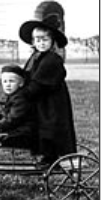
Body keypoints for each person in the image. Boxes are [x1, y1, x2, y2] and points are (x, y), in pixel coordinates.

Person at [18, 14, 77, 165]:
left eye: (45, 40)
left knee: (50, 127)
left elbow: (39, 83)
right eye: (38, 40)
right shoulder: (36, 57)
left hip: (51, 101)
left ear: (52, 41)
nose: (41, 43)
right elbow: (28, 74)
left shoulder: (51, 59)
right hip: (42, 99)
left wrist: (23, 94)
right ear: (33, 41)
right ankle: (47, 155)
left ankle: (51, 157)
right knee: (41, 125)